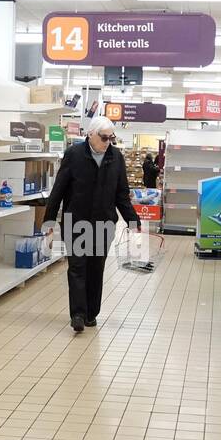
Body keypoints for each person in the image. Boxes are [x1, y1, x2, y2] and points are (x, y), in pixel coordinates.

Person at [43, 116, 140, 333]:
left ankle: (90, 314)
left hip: (104, 224)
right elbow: (58, 190)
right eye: (104, 137)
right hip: (76, 223)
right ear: (90, 135)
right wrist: (49, 220)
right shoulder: (74, 155)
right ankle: (77, 314)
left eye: (111, 138)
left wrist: (133, 221)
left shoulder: (116, 158)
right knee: (77, 268)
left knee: (96, 269)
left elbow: (122, 194)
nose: (107, 142)